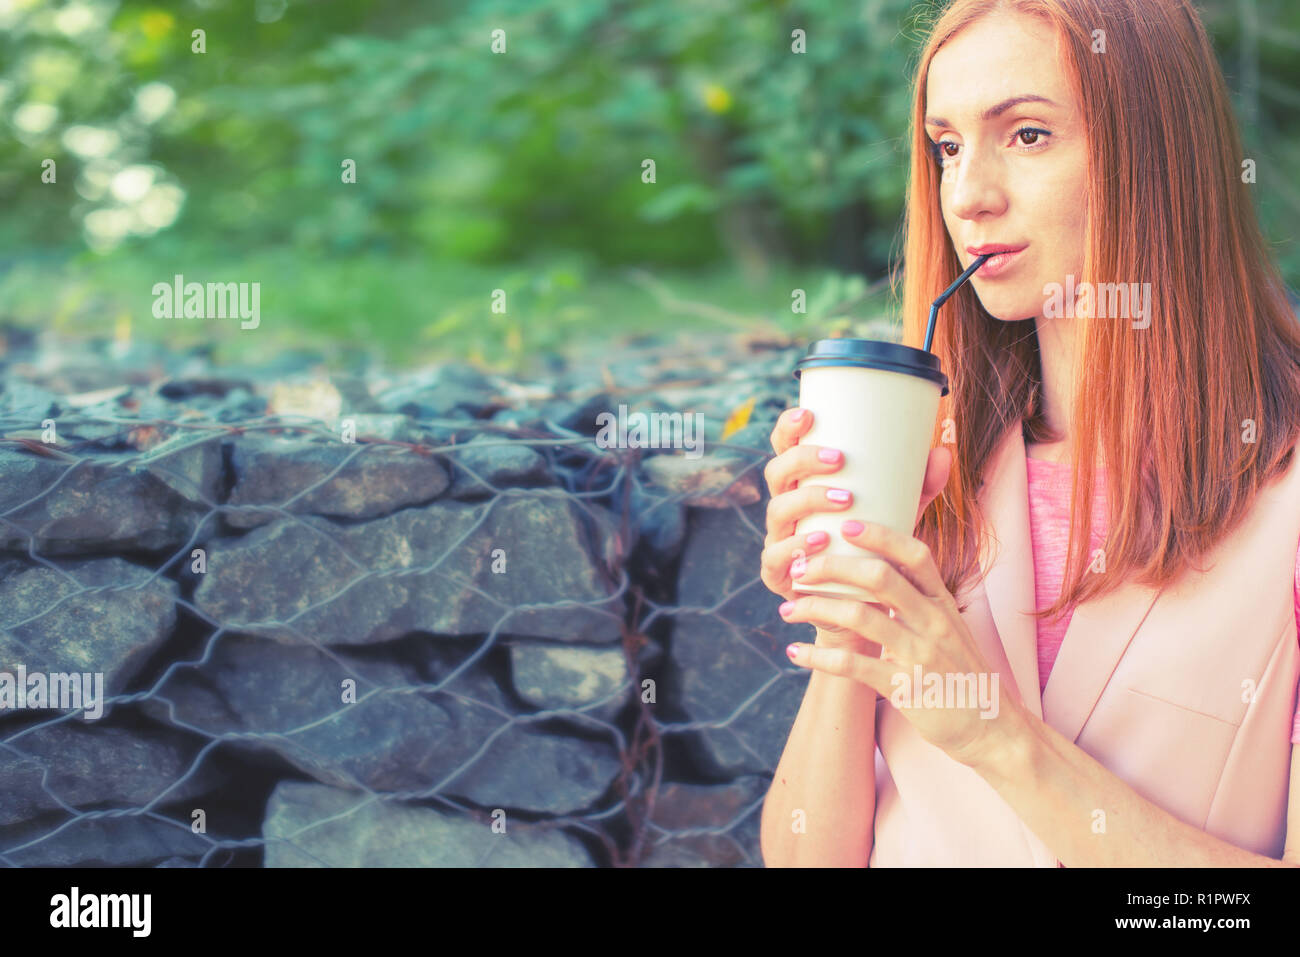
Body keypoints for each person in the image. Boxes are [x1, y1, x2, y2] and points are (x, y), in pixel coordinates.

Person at [758, 0, 1300, 867]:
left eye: (1028, 135)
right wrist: (849, 620)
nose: (968, 195)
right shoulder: (930, 468)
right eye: (948, 146)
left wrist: (997, 735)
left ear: (1158, 156)